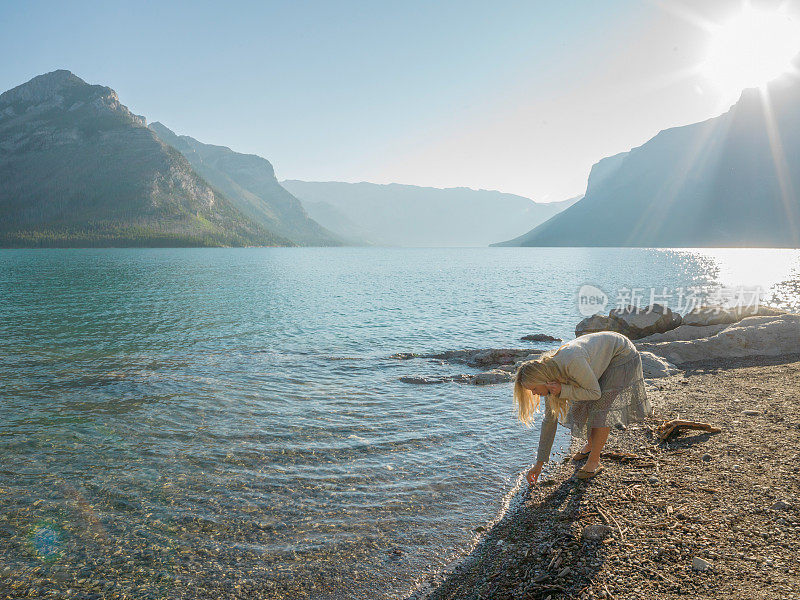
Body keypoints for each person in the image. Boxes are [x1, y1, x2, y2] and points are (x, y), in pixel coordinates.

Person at [513, 330, 651, 483]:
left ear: (543, 380)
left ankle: (594, 462)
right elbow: (549, 422)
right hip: (599, 358)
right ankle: (590, 446)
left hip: (621, 354)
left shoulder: (571, 362)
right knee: (582, 405)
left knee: (601, 409)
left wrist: (563, 390)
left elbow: (594, 393)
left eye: (534, 389)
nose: (533, 394)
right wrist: (539, 465)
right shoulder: (550, 378)